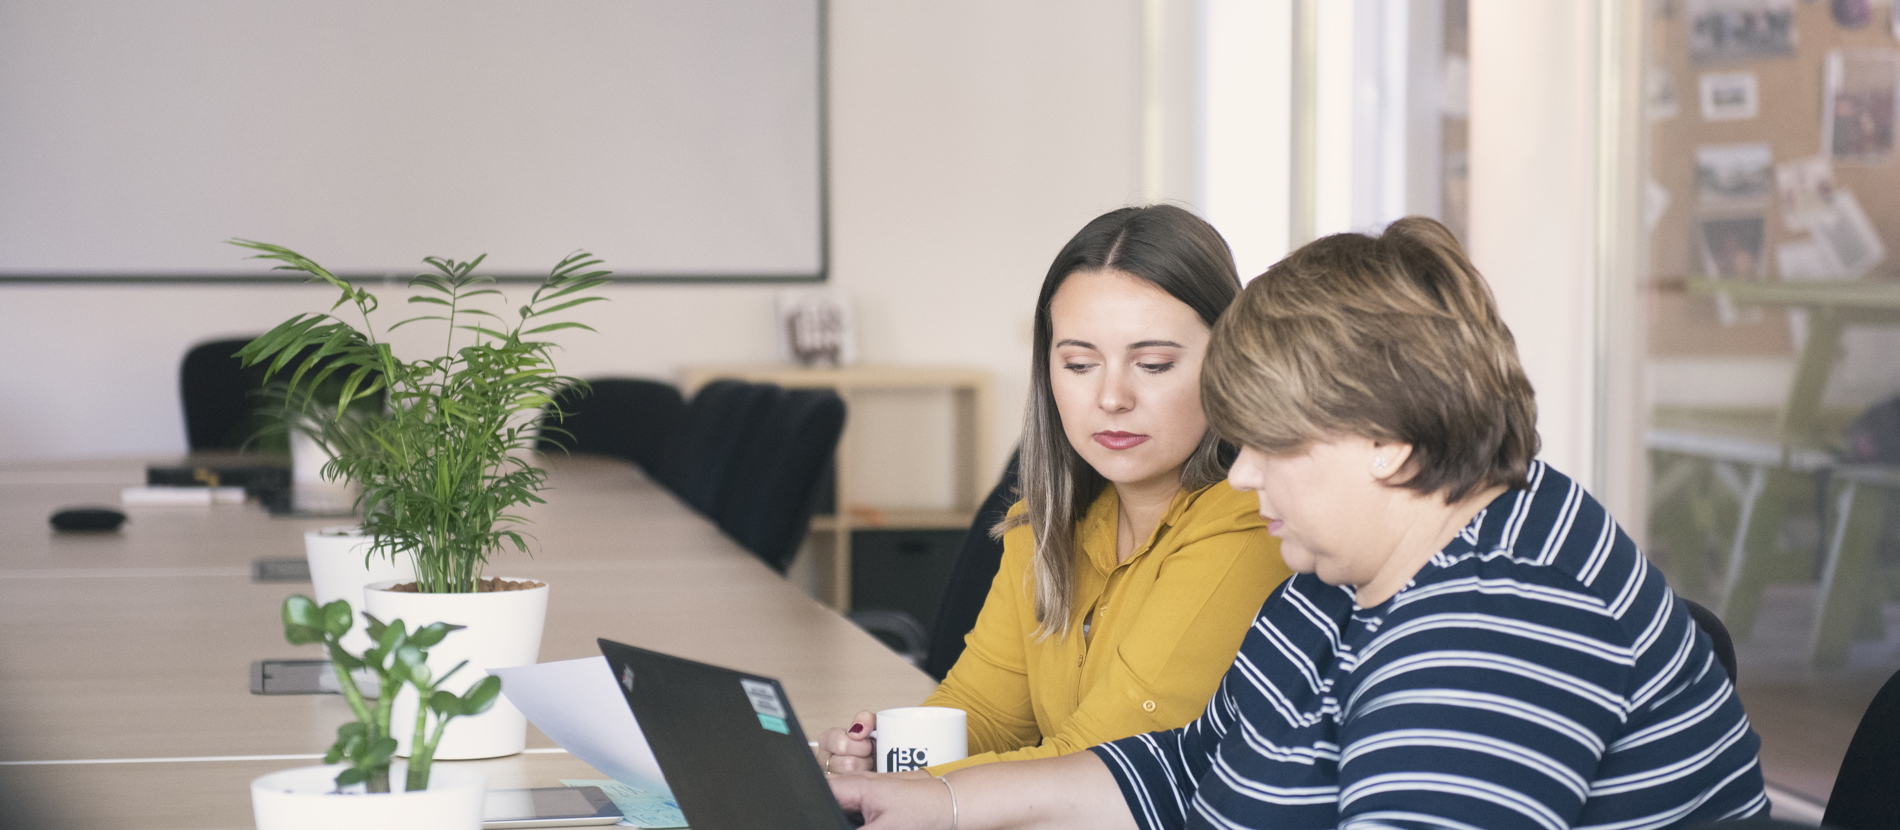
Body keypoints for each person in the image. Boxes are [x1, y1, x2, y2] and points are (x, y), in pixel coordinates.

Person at [829, 217, 1768, 829]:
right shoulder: (1342, 578)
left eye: (1273, 445)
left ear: (1390, 446)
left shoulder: (1498, 627)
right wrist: (941, 803)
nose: (1239, 474)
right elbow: (1190, 766)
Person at [817, 205, 1290, 775]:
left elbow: (1101, 766)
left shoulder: (1249, 524)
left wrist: (915, 789)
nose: (1112, 397)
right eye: (1079, 363)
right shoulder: (1048, 523)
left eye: (1155, 364)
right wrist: (893, 758)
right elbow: (986, 714)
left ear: (1228, 364)